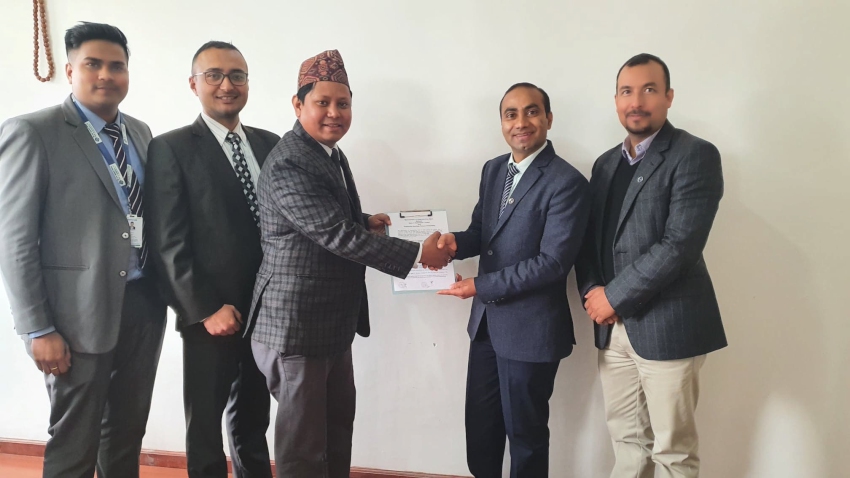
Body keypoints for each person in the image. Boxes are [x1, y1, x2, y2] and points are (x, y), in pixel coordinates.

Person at [246, 49, 454, 478]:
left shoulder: (328, 153)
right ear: (297, 104)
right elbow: (335, 235)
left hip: (329, 323)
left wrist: (364, 220)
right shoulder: (290, 161)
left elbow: (323, 220)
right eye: (322, 102)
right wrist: (419, 254)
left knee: (336, 430)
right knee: (304, 448)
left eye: (343, 103)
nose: (334, 113)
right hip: (296, 327)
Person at [0, 22, 166, 478]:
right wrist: (38, 328)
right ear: (71, 70)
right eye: (93, 64)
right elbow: (14, 240)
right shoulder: (34, 132)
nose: (106, 75)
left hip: (143, 304)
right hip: (75, 316)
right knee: (74, 441)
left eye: (117, 66)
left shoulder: (140, 132)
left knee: (127, 433)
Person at [575, 53, 727, 478]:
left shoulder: (695, 154)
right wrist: (591, 291)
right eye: (627, 91)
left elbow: (679, 246)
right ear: (616, 100)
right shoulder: (605, 163)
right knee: (626, 443)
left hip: (668, 325)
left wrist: (613, 297)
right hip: (612, 328)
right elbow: (588, 240)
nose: (636, 101)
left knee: (673, 453)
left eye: (648, 90)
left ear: (668, 96)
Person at [437, 83, 590, 477]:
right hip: (486, 327)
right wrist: (456, 244)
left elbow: (552, 263)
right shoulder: (494, 170)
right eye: (511, 114)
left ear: (548, 118)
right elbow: (482, 232)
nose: (521, 122)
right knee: (481, 429)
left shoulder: (567, 182)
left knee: (526, 437)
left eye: (532, 111)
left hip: (531, 332)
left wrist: (479, 286)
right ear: (502, 122)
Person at [144, 41, 279, 478]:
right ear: (193, 84)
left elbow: (295, 214)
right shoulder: (171, 148)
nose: (227, 85)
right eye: (214, 75)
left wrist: (361, 222)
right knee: (205, 425)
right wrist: (204, 308)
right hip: (210, 314)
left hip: (268, 309)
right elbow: (167, 241)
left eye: (237, 75)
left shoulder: (270, 144)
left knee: (254, 419)